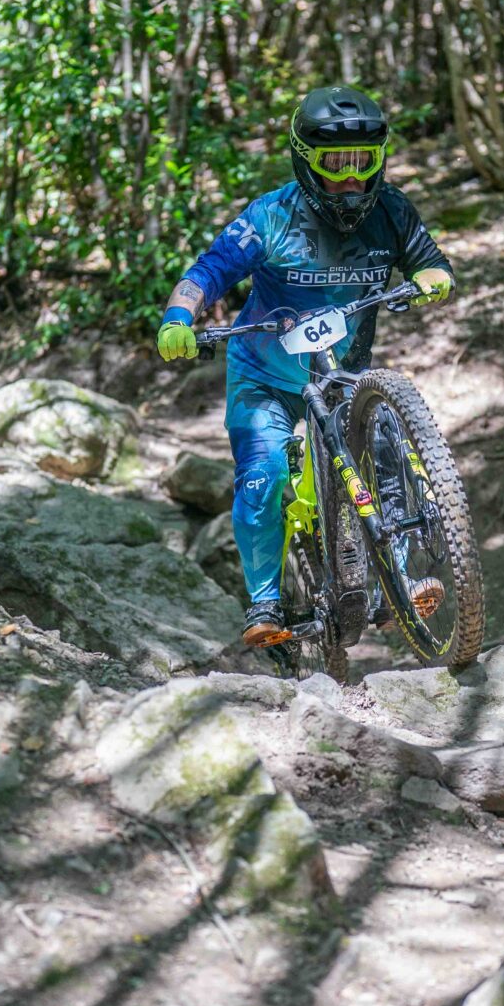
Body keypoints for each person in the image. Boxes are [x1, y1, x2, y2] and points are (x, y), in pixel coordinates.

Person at [154, 85, 455, 648]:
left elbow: (429, 261)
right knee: (264, 475)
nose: (351, 178)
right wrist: (178, 317)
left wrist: (434, 278)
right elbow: (206, 272)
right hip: (264, 376)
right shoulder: (272, 216)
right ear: (305, 160)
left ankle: (401, 579)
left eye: (363, 162)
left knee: (386, 455)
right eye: (335, 164)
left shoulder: (391, 210)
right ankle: (265, 601)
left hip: (342, 375)